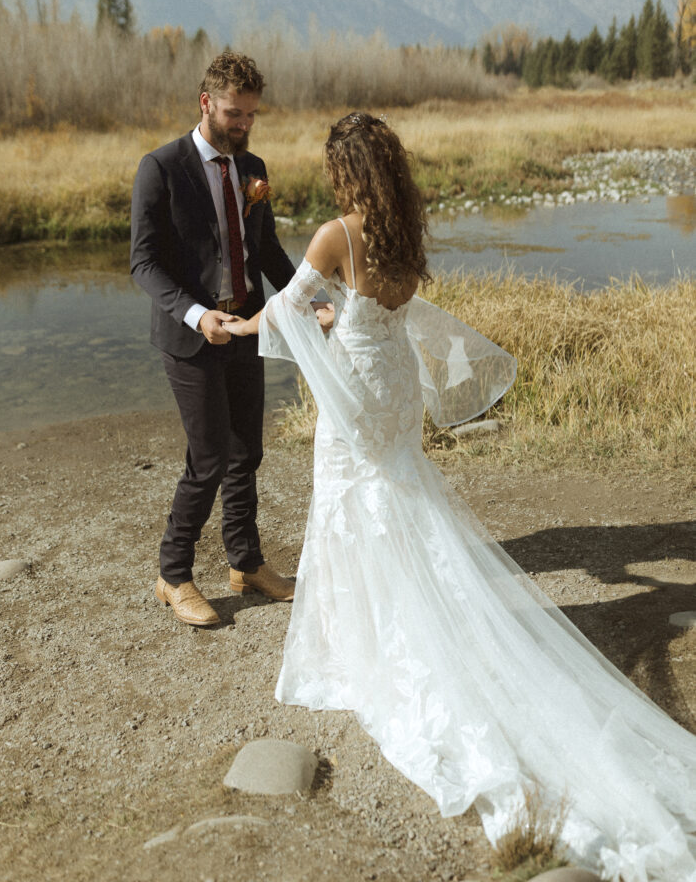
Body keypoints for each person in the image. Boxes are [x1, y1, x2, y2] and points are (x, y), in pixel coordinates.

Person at [224, 112, 696, 882]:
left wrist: (241, 324)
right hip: (395, 389)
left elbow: (287, 309)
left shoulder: (335, 232)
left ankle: (361, 649)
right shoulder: (403, 228)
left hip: (356, 392)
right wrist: (327, 314)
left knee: (350, 504)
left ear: (346, 170)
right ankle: (389, 628)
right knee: (396, 500)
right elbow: (370, 307)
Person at [131, 51, 300, 627]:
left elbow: (267, 252)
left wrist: (307, 297)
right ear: (206, 103)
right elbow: (144, 264)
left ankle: (246, 564)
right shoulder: (160, 168)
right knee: (207, 458)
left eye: (251, 115)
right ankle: (173, 575)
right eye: (234, 113)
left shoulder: (250, 165)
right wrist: (197, 314)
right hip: (191, 336)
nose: (243, 124)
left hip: (248, 328)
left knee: (246, 453)